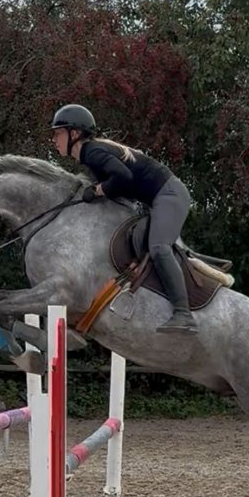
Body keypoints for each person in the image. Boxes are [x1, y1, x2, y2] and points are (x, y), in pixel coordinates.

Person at [49, 103, 198, 333]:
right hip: (156, 200)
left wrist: (98, 190)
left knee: (159, 247)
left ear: (75, 134)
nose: (54, 140)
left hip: (169, 195)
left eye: (58, 133)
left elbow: (123, 176)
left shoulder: (92, 152)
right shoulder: (91, 155)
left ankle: (183, 313)